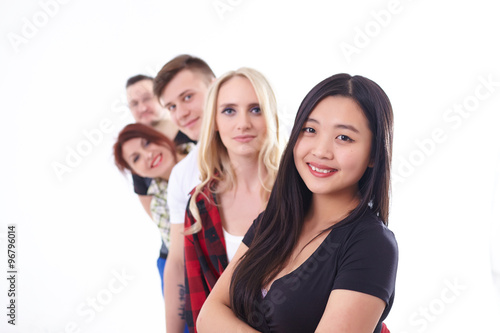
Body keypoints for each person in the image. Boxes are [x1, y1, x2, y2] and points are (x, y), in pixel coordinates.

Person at [197, 73, 399, 333]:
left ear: (373, 154)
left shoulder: (372, 245)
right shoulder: (273, 219)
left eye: (344, 138)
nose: (321, 151)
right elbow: (208, 317)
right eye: (310, 130)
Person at [183, 68, 281, 333]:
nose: (243, 124)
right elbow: (198, 304)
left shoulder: (299, 192)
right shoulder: (199, 204)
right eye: (229, 110)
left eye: (256, 109)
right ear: (214, 121)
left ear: (271, 116)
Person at [152, 54, 216, 332]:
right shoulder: (183, 174)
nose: (181, 113)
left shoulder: (276, 144)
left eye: (188, 97)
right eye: (171, 106)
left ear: (215, 87)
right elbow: (177, 262)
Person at [125, 75, 193, 294]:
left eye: (147, 98)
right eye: (134, 104)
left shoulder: (190, 132)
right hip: (174, 253)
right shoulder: (136, 157)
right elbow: (159, 218)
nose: (142, 107)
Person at [113, 123, 187, 275]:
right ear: (136, 172)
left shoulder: (204, 150)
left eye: (147, 143)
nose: (148, 155)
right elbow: (181, 255)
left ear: (160, 137)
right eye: (136, 158)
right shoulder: (159, 206)